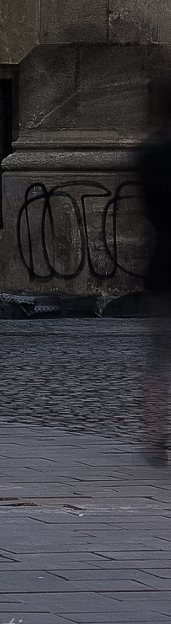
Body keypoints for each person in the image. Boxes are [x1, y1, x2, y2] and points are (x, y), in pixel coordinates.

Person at [137, 79, 171, 463]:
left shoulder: (151, 154)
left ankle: (155, 433)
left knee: (160, 356)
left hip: (163, 265)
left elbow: (149, 210)